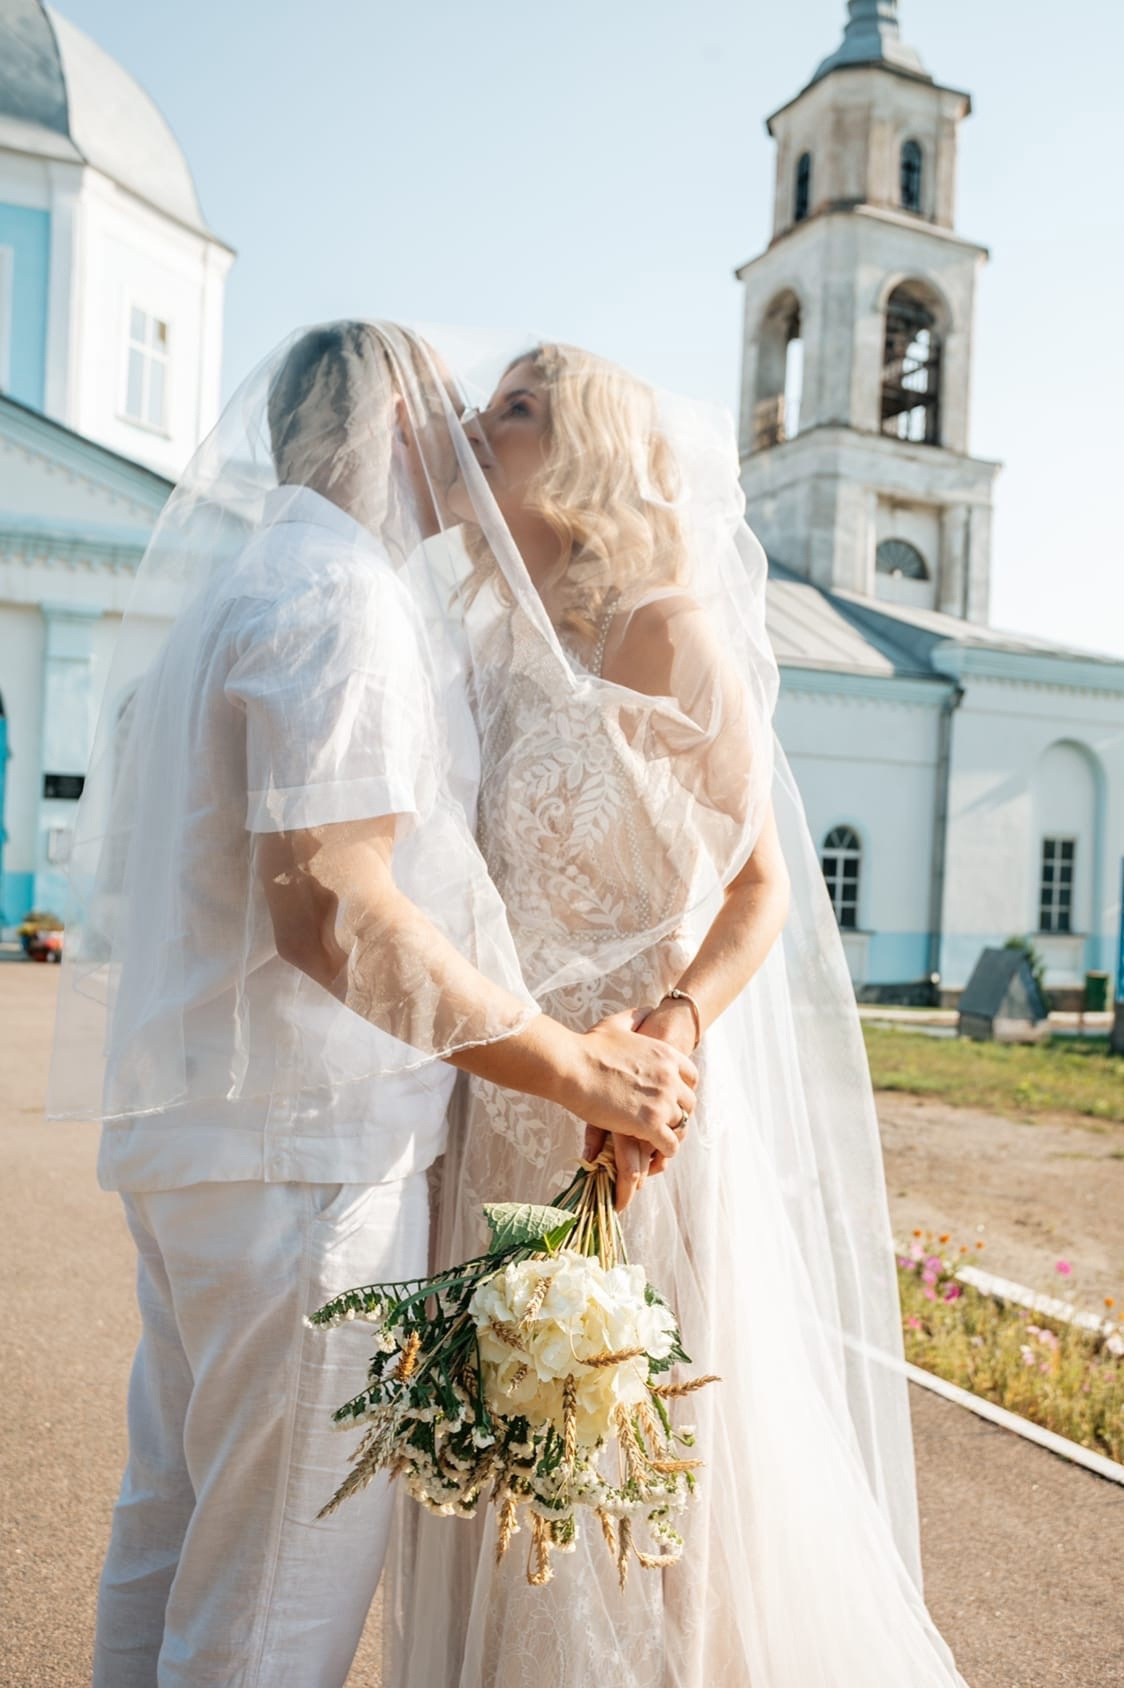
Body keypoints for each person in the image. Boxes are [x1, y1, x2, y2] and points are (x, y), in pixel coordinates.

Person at [47, 322, 696, 1688]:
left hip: (208, 1152)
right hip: (304, 1166)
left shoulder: (251, 580)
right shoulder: (339, 597)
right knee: (274, 1607)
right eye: (453, 412)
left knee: (168, 1545)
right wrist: (574, 1072)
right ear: (397, 423)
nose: (466, 440)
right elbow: (337, 907)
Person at [383, 342, 969, 1685]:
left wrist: (677, 1027)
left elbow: (762, 884)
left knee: (637, 1506)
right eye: (484, 406)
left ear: (582, 450)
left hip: (628, 1126)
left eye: (518, 409)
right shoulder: (480, 644)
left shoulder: (666, 627)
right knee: (500, 1482)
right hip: (497, 1115)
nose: (482, 425)